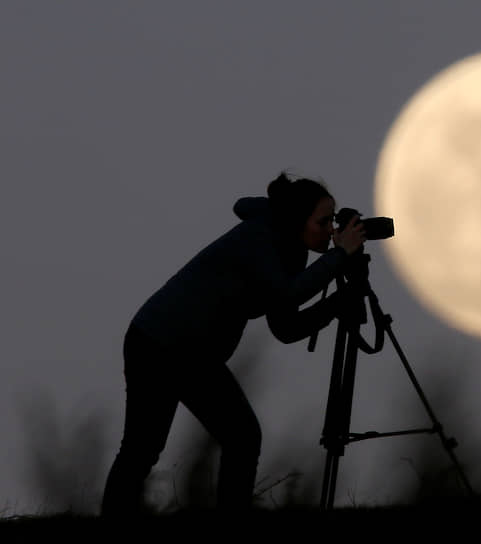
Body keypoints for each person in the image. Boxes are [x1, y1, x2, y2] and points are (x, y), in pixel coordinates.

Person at [101, 172, 366, 516]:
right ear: (297, 219)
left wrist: (336, 303)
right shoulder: (259, 238)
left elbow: (285, 326)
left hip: (191, 352)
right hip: (161, 342)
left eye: (333, 220)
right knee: (146, 448)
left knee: (235, 438)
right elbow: (288, 293)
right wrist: (339, 257)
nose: (332, 230)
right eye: (324, 220)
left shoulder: (289, 249)